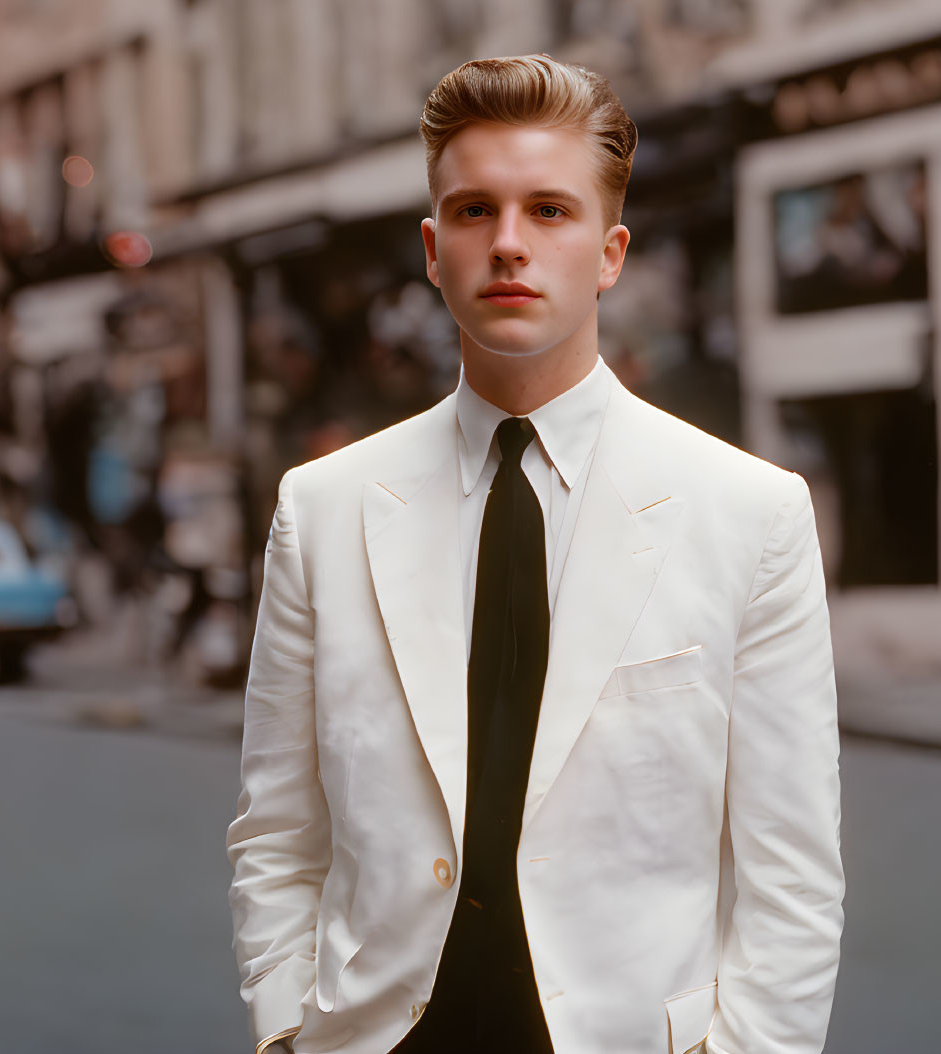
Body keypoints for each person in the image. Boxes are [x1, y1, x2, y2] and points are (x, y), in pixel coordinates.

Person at [227, 56, 843, 1054]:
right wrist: (285, 1027)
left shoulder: (750, 514)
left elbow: (791, 876)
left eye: (548, 211)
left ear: (608, 253)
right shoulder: (322, 508)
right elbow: (275, 832)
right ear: (433, 250)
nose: (507, 244)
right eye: (473, 211)